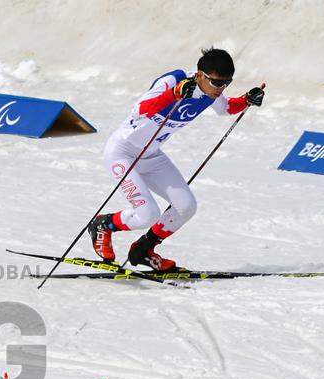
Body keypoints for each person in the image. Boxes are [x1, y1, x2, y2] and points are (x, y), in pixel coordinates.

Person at [87, 48, 265, 270]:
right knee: (147, 213)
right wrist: (174, 94)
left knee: (186, 206)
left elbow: (228, 108)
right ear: (200, 75)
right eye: (218, 83)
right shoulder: (176, 80)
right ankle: (104, 225)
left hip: (151, 156)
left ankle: (143, 250)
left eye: (227, 83)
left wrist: (247, 99)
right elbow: (140, 110)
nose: (222, 89)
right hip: (122, 152)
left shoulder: (212, 93)